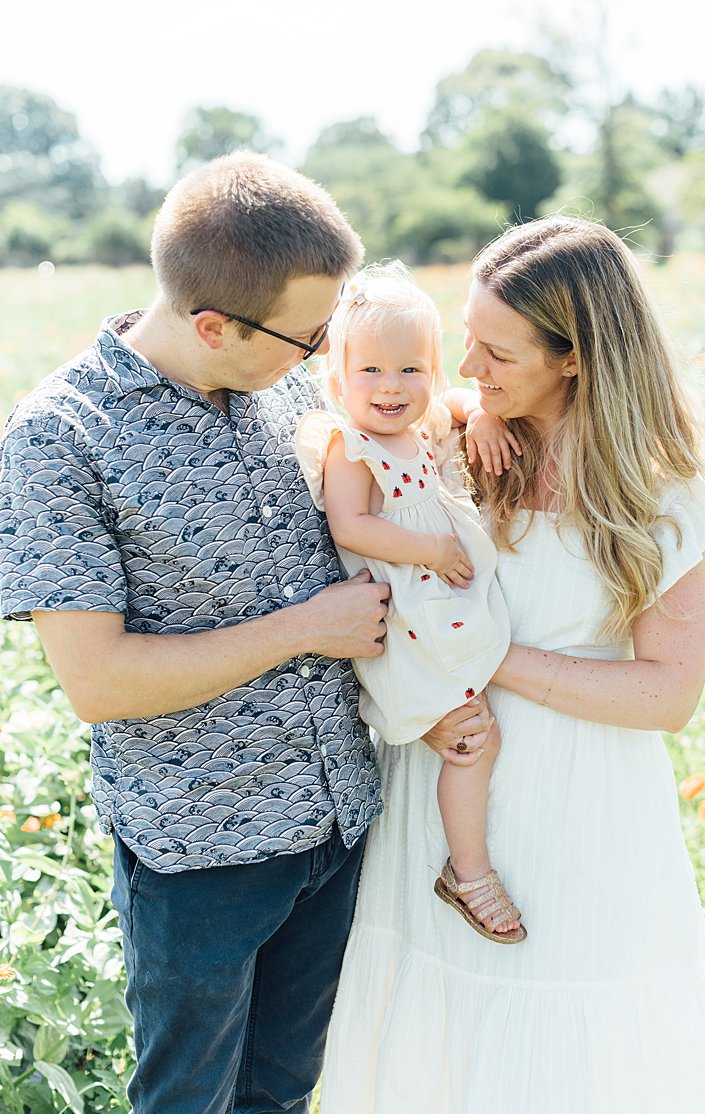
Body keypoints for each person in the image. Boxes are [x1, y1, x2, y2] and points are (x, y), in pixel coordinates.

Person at [318, 216, 705, 1113]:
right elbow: (365, 417)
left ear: (575, 358)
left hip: (581, 798)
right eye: (466, 340)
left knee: (571, 1044)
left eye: (495, 355)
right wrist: (468, 416)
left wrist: (481, 658)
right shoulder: (459, 443)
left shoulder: (658, 490)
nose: (467, 371)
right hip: (441, 781)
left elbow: (670, 694)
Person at [0, 152, 390, 1113]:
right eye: (309, 335)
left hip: (338, 817)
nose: (323, 351)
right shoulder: (60, 437)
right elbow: (99, 682)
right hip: (201, 850)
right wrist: (306, 628)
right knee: (187, 1100)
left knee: (285, 1094)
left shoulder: (289, 380)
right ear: (213, 324)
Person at [295, 261, 528, 943]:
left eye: (410, 370)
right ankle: (470, 871)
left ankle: (470, 864)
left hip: (442, 611)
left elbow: (454, 404)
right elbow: (351, 527)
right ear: (338, 380)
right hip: (410, 620)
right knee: (472, 744)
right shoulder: (352, 445)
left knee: (480, 735)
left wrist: (476, 412)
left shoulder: (420, 428)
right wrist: (429, 552)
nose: (391, 387)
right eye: (369, 371)